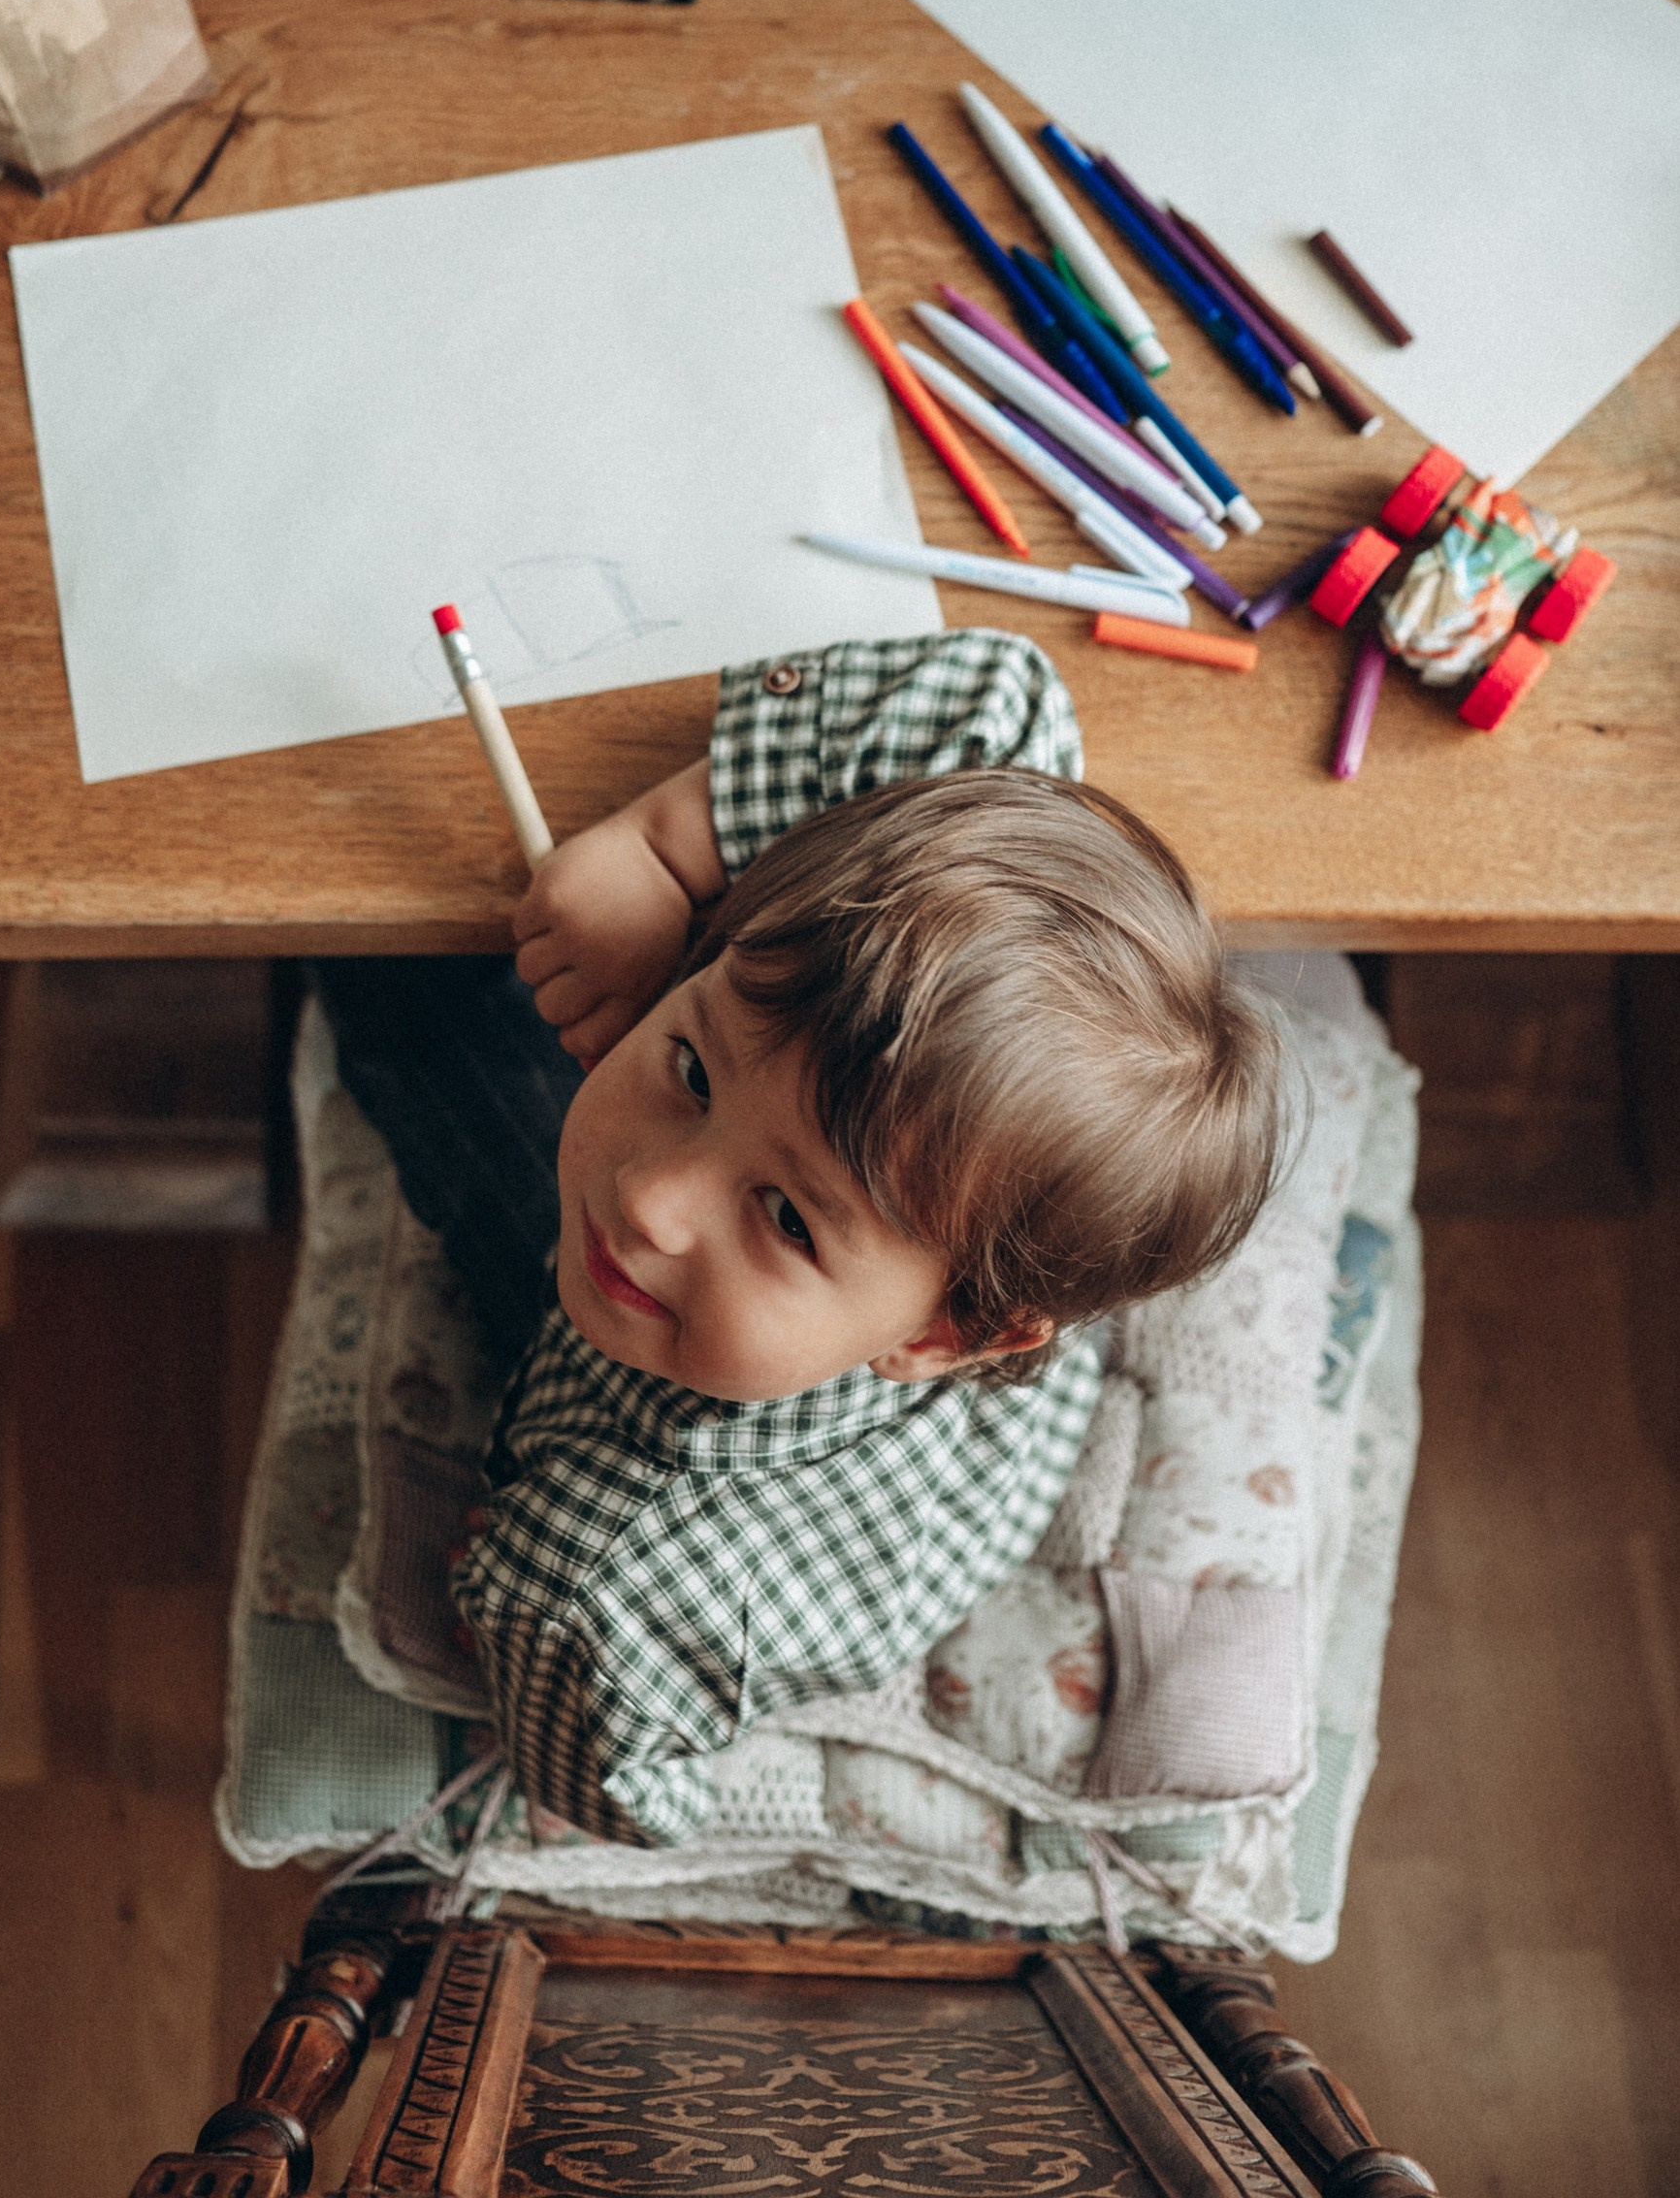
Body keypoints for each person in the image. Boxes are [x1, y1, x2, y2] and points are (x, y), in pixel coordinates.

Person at [318, 630, 1284, 1845]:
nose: (650, 1197)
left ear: (948, 1332)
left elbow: (611, 1787)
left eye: (784, 1216)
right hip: (966, 1432)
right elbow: (993, 685)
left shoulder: (587, 1584)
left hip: (675, 1461)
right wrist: (653, 849)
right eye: (689, 1065)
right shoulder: (974, 1255)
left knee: (410, 1001)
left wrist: (512, 1599)